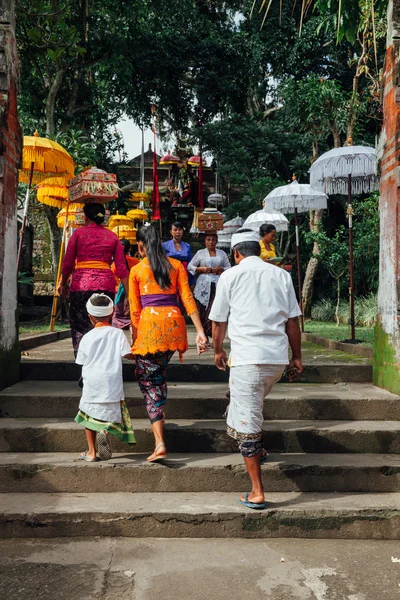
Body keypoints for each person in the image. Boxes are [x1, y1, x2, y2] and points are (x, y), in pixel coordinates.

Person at [209, 228, 303, 510]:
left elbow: (218, 322)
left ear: (236, 253)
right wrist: (296, 357)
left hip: (248, 359)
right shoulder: (281, 275)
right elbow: (292, 322)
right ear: (259, 251)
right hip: (275, 359)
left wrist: (217, 350)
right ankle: (257, 448)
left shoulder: (230, 276)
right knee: (247, 404)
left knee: (248, 423)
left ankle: (258, 491)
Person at [129, 225, 208, 463]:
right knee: (158, 374)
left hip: (150, 329)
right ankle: (160, 409)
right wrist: (201, 331)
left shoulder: (138, 270)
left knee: (149, 382)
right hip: (174, 326)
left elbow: (135, 312)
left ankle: (160, 442)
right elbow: (187, 298)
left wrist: (135, 343)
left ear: (141, 245)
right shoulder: (175, 266)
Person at [58, 203, 129, 355]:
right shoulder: (112, 236)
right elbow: (122, 268)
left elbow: (68, 263)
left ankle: (83, 364)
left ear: (85, 216)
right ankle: (101, 360)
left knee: (80, 327)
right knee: (103, 325)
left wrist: (62, 283)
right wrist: (129, 294)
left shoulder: (77, 234)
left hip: (81, 285)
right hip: (105, 285)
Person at [74, 293, 136, 462]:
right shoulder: (117, 334)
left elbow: (80, 361)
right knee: (108, 412)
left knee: (88, 414)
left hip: (93, 381)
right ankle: (105, 431)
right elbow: (129, 355)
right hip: (111, 382)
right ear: (112, 312)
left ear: (90, 316)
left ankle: (92, 452)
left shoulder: (86, 338)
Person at [188, 232, 231, 339]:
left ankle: (213, 334)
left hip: (217, 283)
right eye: (208, 240)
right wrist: (200, 269)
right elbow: (190, 266)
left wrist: (221, 269)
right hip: (204, 283)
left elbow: (229, 268)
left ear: (216, 241)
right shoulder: (200, 253)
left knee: (215, 308)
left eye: (213, 240)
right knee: (203, 309)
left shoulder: (222, 253)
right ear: (205, 241)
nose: (211, 242)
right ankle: (203, 334)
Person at [112, 239, 139, 330]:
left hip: (119, 291)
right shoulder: (136, 261)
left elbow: (113, 279)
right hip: (132, 289)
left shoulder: (115, 264)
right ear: (129, 249)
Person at [162, 221, 195, 286]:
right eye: (175, 230)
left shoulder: (187, 246)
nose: (178, 232)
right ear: (171, 232)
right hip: (170, 274)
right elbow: (162, 262)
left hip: (184, 274)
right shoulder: (164, 246)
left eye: (180, 230)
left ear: (183, 231)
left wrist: (192, 281)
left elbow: (190, 264)